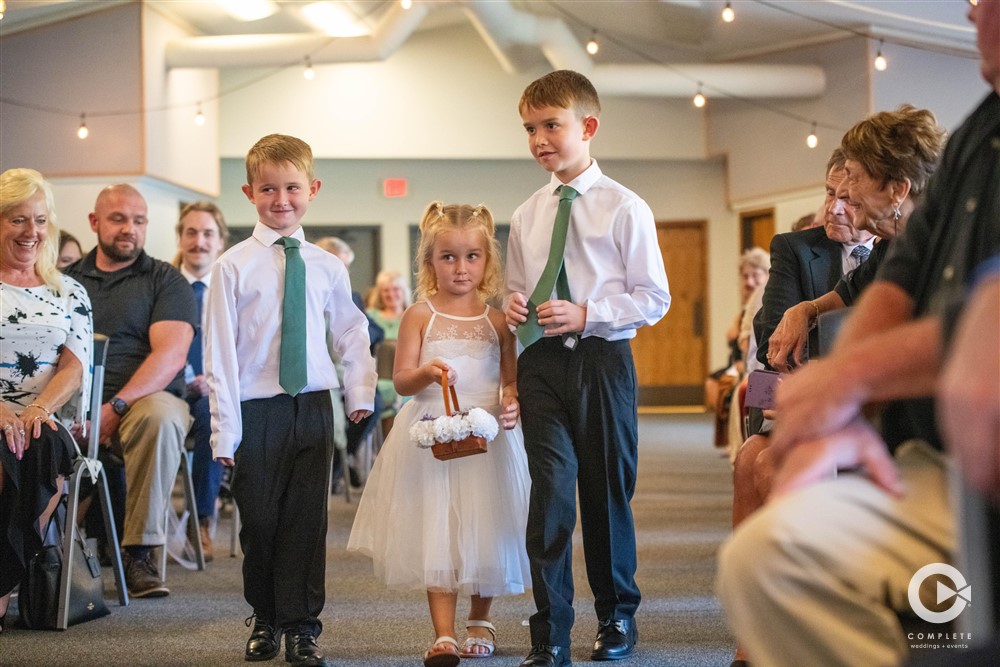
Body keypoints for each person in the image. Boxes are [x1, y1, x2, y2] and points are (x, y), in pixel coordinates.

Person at [717, 1, 999, 664]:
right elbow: (889, 288)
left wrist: (846, 379)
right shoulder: (976, 134)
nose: (970, 9)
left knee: (942, 625)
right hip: (926, 457)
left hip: (974, 465)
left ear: (895, 187)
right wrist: (845, 409)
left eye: (852, 190)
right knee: (763, 555)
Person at [503, 70, 671, 666]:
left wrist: (589, 312)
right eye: (530, 128)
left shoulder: (626, 207)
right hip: (543, 365)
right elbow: (518, 291)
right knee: (548, 495)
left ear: (588, 127)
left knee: (605, 493)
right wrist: (512, 303)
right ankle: (549, 631)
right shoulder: (527, 213)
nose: (539, 138)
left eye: (552, 124)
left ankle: (617, 617)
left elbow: (654, 298)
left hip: (602, 361)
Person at [204, 133, 376, 667]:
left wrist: (359, 390)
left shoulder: (327, 266)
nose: (282, 200)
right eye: (269, 189)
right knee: (260, 520)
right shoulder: (231, 267)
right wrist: (224, 430)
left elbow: (352, 331)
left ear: (313, 189)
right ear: (249, 192)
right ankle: (266, 617)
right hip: (256, 410)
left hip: (313, 407)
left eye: (293, 188)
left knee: (307, 521)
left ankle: (303, 626)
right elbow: (219, 357)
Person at [349, 201, 529, 667]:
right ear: (430, 262)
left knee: (486, 527)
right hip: (430, 432)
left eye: (472, 256)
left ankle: (480, 620)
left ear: (488, 261)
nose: (461, 267)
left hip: (486, 438)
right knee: (438, 530)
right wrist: (427, 372)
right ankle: (443, 632)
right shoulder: (419, 315)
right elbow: (402, 379)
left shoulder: (497, 322)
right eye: (448, 256)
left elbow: (510, 380)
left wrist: (510, 401)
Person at [65, 184, 196, 599]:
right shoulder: (65, 282)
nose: (129, 229)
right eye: (119, 219)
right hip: (71, 403)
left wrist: (115, 407)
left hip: (140, 403)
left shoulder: (165, 280)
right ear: (95, 222)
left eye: (138, 221)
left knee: (159, 416)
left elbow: (171, 355)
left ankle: (139, 554)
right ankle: (38, 555)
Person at [766, 106, 946, 372]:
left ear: (897, 189)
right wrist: (803, 310)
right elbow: (847, 293)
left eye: (853, 177)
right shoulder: (892, 244)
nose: (842, 191)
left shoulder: (942, 244)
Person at [0, 168, 92, 632]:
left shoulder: (69, 291)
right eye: (17, 219)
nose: (30, 232)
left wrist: (37, 408)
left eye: (38, 220)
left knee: (37, 444)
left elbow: (72, 369)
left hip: (46, 416)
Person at [171, 201, 228, 562]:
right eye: (191, 232)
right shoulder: (164, 283)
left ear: (220, 240)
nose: (199, 242)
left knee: (214, 414)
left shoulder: (230, 284)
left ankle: (201, 519)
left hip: (214, 390)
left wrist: (218, 381)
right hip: (169, 386)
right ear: (180, 237)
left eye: (208, 233)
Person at [314, 236, 385, 491]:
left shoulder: (350, 294)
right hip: (320, 373)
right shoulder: (309, 291)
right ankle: (336, 466)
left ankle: (342, 462)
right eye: (341, 265)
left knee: (372, 403)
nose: (345, 272)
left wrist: (358, 337)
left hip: (346, 370)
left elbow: (374, 329)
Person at [366, 269, 410, 340]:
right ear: (380, 294)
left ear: (404, 292)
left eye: (396, 289)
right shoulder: (370, 316)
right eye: (386, 290)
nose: (391, 294)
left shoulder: (412, 317)